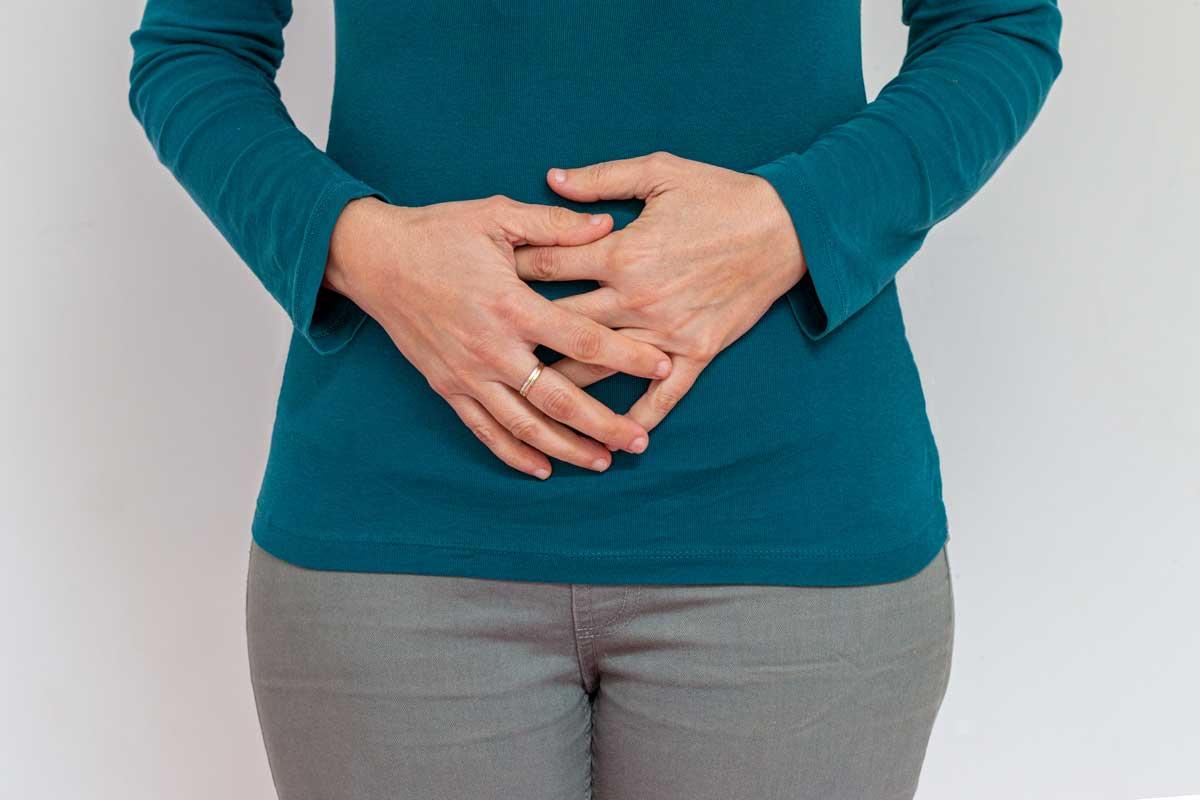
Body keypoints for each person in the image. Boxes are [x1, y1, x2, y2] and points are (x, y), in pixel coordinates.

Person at [127, 1, 1063, 797]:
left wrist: (790, 222)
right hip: (393, 540)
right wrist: (367, 249)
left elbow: (996, 25)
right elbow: (194, 50)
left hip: (794, 535)